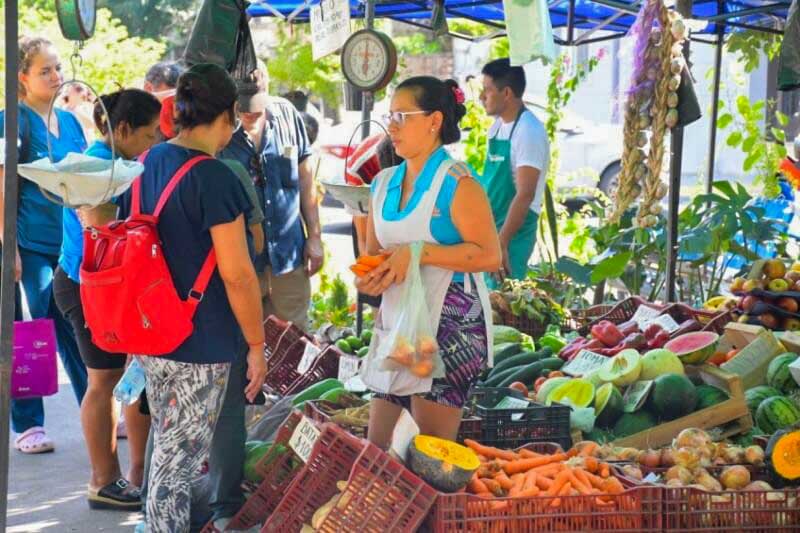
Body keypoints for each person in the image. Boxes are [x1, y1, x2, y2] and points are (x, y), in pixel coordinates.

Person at [112, 63, 267, 532]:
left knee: (169, 445)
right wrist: (256, 345)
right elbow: (238, 274)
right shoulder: (215, 177)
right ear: (229, 114)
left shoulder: (146, 162)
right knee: (178, 464)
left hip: (152, 333)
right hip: (200, 340)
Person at [357, 76, 500, 448]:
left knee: (430, 456)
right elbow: (373, 256)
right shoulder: (382, 183)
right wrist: (370, 278)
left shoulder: (459, 182)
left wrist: (419, 252)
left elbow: (489, 254)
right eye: (390, 116)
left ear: (435, 121)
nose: (392, 126)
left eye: (402, 116)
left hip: (451, 330)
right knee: (378, 448)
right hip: (398, 327)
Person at [52, 89, 161, 509]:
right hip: (87, 287)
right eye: (149, 134)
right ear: (122, 129)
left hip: (112, 287)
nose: (154, 142)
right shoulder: (94, 168)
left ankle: (135, 473)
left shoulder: (121, 163)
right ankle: (103, 480)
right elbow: (99, 229)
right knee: (103, 382)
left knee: (129, 377)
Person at [0, 36, 88, 454]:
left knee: (76, 322)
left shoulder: (70, 121)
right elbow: (3, 185)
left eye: (57, 68)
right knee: (31, 330)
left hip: (69, 239)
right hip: (28, 241)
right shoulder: (11, 119)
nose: (56, 76)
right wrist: (9, 246)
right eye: (45, 70)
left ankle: (95, 402)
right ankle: (28, 423)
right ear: (22, 77)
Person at [219, 68, 324, 330]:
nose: (250, 114)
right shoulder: (216, 129)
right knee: (242, 350)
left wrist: (314, 236)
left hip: (288, 257)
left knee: (294, 345)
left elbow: (305, 179)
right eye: (242, 109)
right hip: (240, 264)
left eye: (256, 106)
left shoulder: (287, 114)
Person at [479, 58, 549, 284]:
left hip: (513, 232)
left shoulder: (528, 131)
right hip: (491, 227)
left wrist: (502, 242)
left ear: (506, 93)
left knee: (504, 303)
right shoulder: (497, 126)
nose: (482, 97)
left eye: (487, 90)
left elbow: (525, 194)